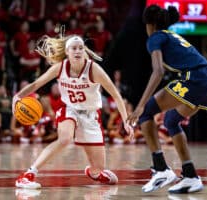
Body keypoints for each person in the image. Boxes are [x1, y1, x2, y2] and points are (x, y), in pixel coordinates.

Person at [12, 34, 133, 189]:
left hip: (91, 115)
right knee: (65, 139)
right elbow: (37, 84)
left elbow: (116, 95)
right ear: (67, 52)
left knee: (101, 171)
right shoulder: (60, 68)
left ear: (84, 51)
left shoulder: (94, 69)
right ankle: (28, 175)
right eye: (74, 48)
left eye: (81, 48)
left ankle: (94, 172)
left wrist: (126, 121)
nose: (78, 51)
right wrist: (18, 96)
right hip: (69, 110)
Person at [127, 5, 207, 194]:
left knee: (146, 113)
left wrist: (140, 105)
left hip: (195, 78)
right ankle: (190, 175)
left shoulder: (155, 37)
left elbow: (158, 71)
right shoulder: (171, 35)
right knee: (171, 120)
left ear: (148, 24)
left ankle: (160, 169)